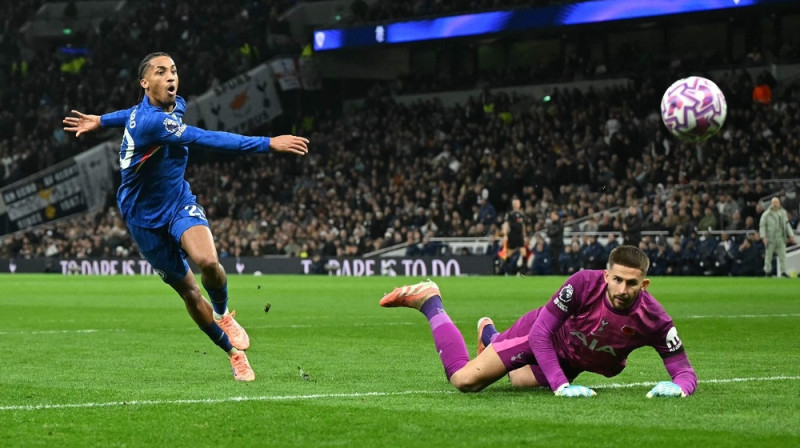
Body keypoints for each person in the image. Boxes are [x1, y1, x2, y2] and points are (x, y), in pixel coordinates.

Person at [62, 52, 310, 381]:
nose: (171, 77)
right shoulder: (154, 122)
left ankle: (223, 314)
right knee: (190, 292)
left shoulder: (172, 106)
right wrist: (267, 143)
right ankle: (233, 354)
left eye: (174, 71)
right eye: (161, 72)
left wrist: (101, 120)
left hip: (178, 202)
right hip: (143, 219)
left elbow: (129, 114)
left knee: (208, 261)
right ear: (145, 83)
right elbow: (208, 138)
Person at [379, 245, 696, 398]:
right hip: (538, 336)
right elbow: (542, 332)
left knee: (517, 381)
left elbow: (683, 369)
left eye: (632, 283)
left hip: (571, 358)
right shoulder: (583, 284)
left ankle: (490, 335)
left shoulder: (654, 318)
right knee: (465, 382)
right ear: (606, 275)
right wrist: (560, 386)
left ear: (645, 284)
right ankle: (430, 301)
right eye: (617, 280)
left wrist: (680, 388)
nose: (622, 289)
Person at [759, 197, 796, 277]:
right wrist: (763, 236)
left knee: (782, 255)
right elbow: (762, 226)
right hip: (770, 237)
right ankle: (767, 271)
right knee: (768, 256)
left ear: (779, 203)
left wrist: (791, 235)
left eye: (777, 203)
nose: (775, 205)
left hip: (781, 237)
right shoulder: (766, 214)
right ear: (771, 204)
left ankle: (783, 271)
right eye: (774, 203)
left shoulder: (783, 213)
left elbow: (786, 224)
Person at [500, 197, 527, 275]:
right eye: (515, 203)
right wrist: (505, 235)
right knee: (509, 253)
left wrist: (524, 235)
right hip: (512, 235)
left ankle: (523, 271)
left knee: (523, 252)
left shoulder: (522, 214)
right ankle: (504, 269)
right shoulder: (510, 214)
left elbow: (523, 225)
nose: (516, 205)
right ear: (513, 205)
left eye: (517, 203)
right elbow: (506, 224)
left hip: (520, 236)